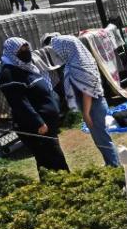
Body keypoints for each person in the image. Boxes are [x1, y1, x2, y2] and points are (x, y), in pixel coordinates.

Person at [0, 37, 69, 174]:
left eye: (27, 48)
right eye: (22, 50)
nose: (26, 52)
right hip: (36, 127)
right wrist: (38, 122)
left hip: (48, 124)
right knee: (51, 159)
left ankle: (61, 185)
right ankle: (61, 187)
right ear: (12, 52)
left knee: (52, 158)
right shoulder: (8, 73)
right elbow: (19, 103)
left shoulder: (26, 67)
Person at [51, 35, 119, 167]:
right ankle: (110, 164)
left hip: (93, 107)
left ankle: (115, 168)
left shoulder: (78, 65)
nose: (57, 52)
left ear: (67, 48)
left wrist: (86, 113)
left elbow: (87, 91)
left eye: (58, 49)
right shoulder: (81, 59)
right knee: (101, 139)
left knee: (103, 140)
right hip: (95, 105)